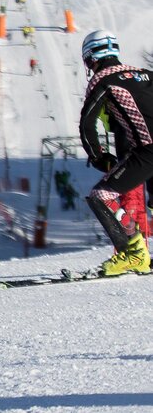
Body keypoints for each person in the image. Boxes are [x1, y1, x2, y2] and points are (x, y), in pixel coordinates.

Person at [78, 30, 153, 275]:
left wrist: (100, 157)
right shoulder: (145, 74)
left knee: (102, 195)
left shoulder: (102, 79)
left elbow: (87, 124)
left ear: (90, 58)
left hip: (147, 151)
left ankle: (135, 254)